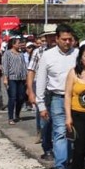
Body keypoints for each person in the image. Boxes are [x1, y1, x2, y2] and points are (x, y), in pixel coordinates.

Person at [35, 24, 78, 169]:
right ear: (57, 39)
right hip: (57, 98)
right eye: (64, 39)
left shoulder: (78, 55)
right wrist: (40, 105)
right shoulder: (48, 56)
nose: (67, 42)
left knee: (74, 133)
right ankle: (61, 166)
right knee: (60, 131)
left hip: (77, 99)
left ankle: (70, 161)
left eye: (70, 39)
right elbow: (40, 80)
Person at [28, 25, 57, 160]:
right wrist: (30, 92)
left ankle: (59, 148)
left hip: (58, 91)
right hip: (43, 91)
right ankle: (48, 148)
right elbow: (31, 71)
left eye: (54, 35)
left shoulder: (64, 52)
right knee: (46, 121)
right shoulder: (38, 52)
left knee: (59, 122)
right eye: (49, 36)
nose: (52, 38)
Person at [1, 37, 28, 124]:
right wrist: (5, 78)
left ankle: (17, 114)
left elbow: (24, 66)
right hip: (12, 78)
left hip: (21, 78)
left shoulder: (21, 54)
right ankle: (10, 117)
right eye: (18, 43)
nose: (20, 45)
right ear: (13, 44)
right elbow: (5, 66)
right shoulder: (7, 53)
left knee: (21, 98)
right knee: (12, 97)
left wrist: (26, 77)